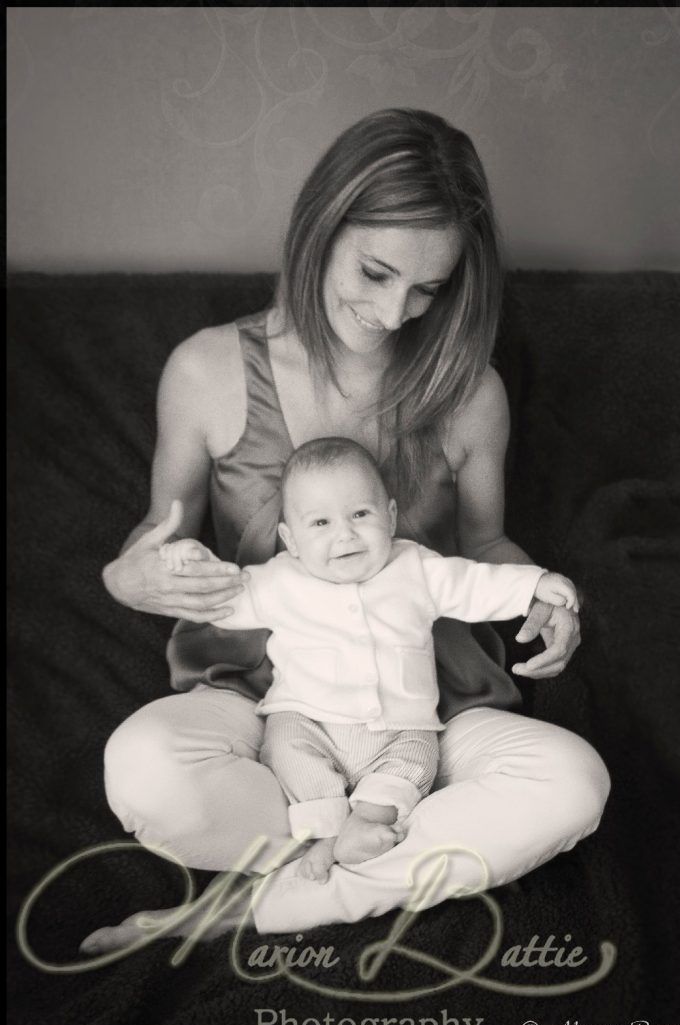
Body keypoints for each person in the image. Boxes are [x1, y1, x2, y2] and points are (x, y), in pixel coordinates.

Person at [81, 107, 609, 954]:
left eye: (428, 288)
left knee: (573, 782)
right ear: (320, 225)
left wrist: (548, 596)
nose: (396, 312)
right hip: (262, 709)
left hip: (426, 712)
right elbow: (157, 533)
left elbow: (484, 549)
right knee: (143, 765)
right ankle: (367, 854)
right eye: (374, 272)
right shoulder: (207, 370)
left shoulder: (469, 391)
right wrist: (128, 576)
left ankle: (247, 910)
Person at [158, 436, 580, 885]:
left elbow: (476, 584)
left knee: (417, 759)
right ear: (290, 539)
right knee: (285, 750)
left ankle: (364, 823)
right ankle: (324, 831)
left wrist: (534, 585)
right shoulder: (278, 580)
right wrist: (189, 565)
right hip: (308, 720)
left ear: (392, 517)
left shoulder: (416, 567)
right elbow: (223, 598)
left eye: (361, 514)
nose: (344, 534)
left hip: (402, 724)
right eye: (319, 522)